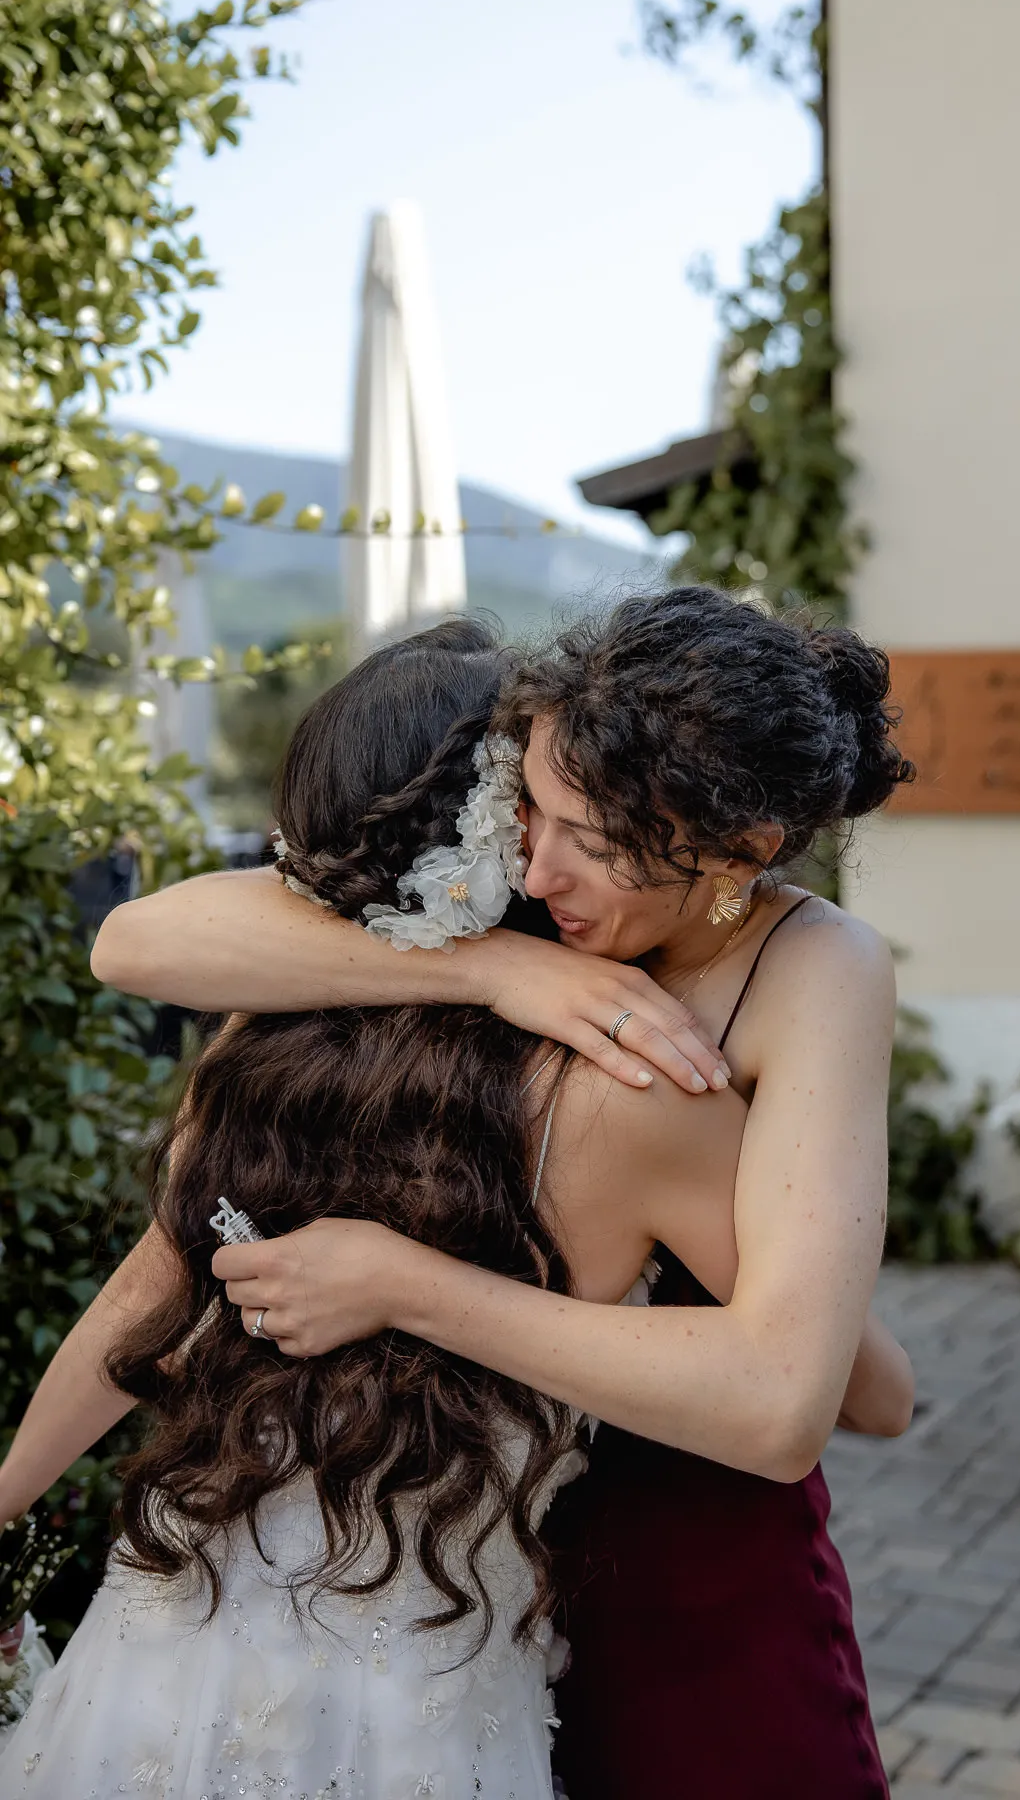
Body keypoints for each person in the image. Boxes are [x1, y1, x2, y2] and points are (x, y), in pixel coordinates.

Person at [0, 618, 910, 1797]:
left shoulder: (789, 984)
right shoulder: (437, 978)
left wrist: (403, 1283)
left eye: (592, 841)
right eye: (528, 813)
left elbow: (823, 1391)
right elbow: (133, 943)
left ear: (740, 853)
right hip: (440, 1585)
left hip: (665, 1558)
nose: (538, 871)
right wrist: (495, 966)